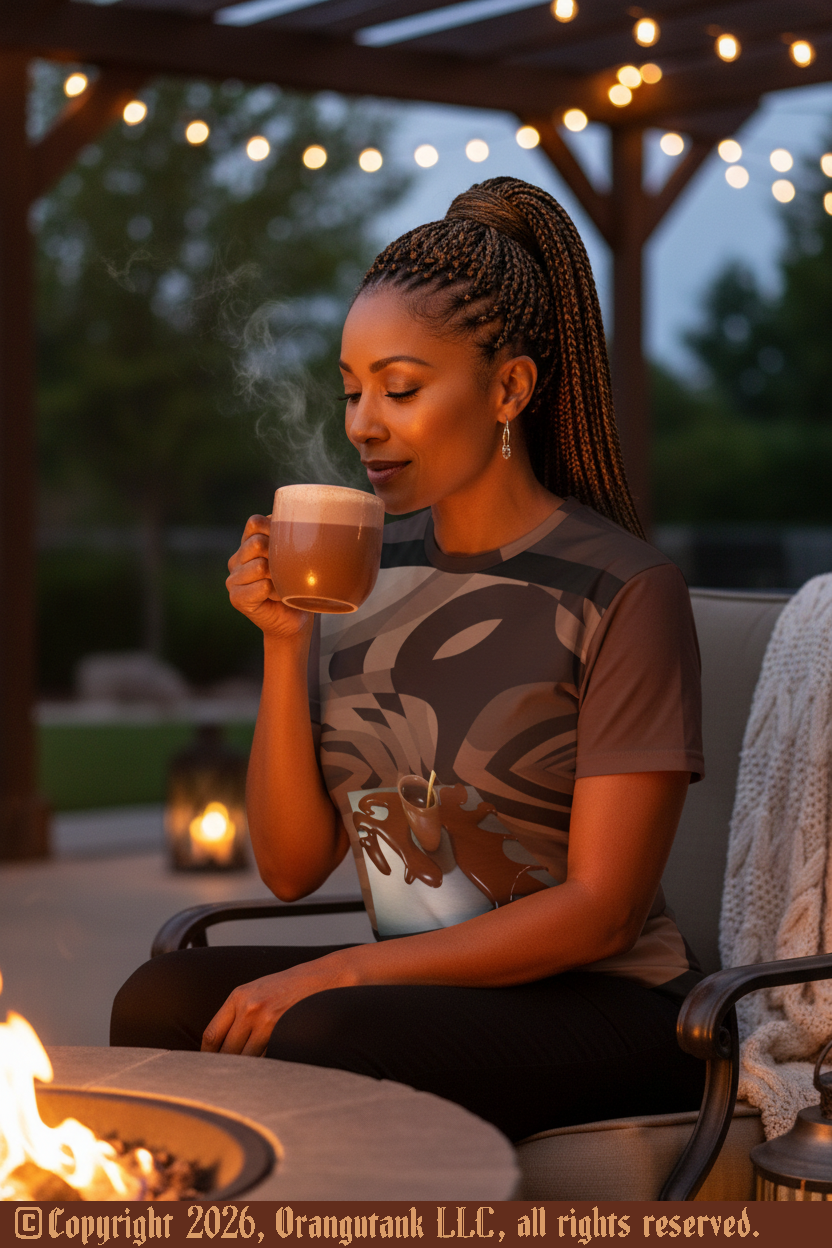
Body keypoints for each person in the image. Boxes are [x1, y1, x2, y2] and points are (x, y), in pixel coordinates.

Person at [111, 177, 706, 1143]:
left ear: (509, 389)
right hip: (419, 990)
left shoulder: (624, 589)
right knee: (160, 1001)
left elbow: (602, 912)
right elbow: (292, 868)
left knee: (326, 1029)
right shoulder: (360, 571)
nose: (362, 424)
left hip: (611, 1004)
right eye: (351, 391)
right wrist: (284, 643)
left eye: (399, 389)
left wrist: (338, 970)